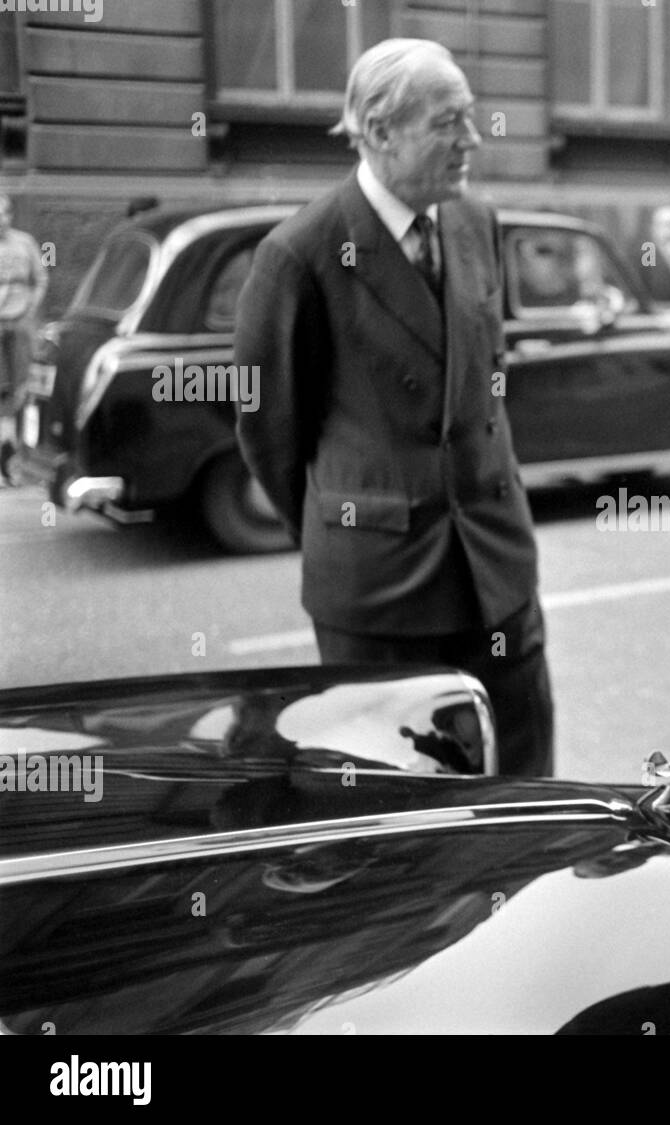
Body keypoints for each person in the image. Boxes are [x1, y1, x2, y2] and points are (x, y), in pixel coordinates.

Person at [234, 38, 553, 778]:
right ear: (379, 131)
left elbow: (484, 382)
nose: (472, 139)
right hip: (381, 599)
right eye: (448, 123)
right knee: (399, 810)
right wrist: (351, 528)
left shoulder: (475, 222)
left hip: (498, 575)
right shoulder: (300, 254)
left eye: (470, 117)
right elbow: (269, 430)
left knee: (527, 793)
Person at [0, 194, 47, 485]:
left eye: (4, 213)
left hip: (20, 323)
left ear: (11, 215)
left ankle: (18, 457)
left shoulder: (25, 243)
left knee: (22, 389)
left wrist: (30, 309)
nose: (0, 219)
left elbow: (40, 279)